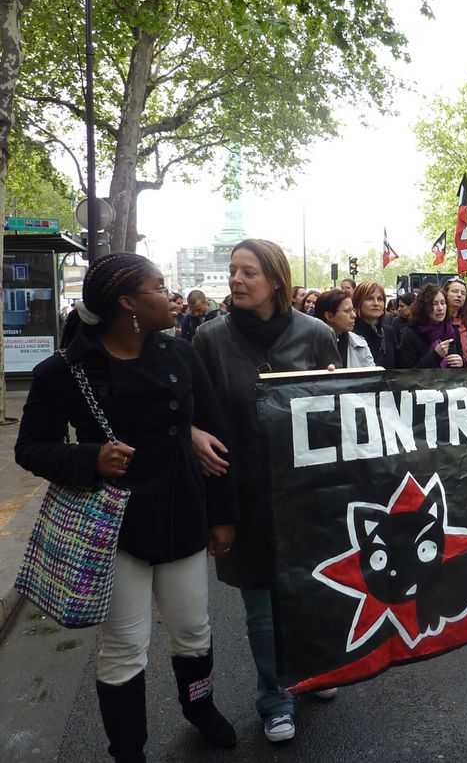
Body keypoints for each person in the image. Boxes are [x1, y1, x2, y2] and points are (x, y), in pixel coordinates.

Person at [15, 254, 239, 761]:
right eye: (160, 287)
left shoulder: (180, 354)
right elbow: (29, 448)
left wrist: (223, 514)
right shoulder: (64, 370)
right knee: (124, 646)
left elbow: (215, 434)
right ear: (128, 303)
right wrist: (89, 457)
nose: (171, 295)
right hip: (114, 524)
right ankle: (128, 748)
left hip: (182, 511)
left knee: (193, 630)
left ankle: (200, 708)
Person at [191, 239, 340, 743]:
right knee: (262, 606)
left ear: (275, 280)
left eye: (247, 272)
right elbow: (192, 409)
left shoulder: (317, 334)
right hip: (244, 491)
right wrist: (192, 435)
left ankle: (315, 670)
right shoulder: (209, 340)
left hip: (307, 491)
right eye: (232, 271)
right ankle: (275, 696)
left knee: (313, 589)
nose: (235, 280)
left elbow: (339, 411)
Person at [399, 283, 464, 368]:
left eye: (443, 303)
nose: (440, 308)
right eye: (434, 304)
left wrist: (462, 362)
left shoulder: (452, 331)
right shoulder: (411, 333)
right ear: (424, 307)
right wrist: (435, 355)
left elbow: (461, 366)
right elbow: (408, 373)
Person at [315, 288, 375, 369]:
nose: (354, 315)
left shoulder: (360, 344)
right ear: (329, 316)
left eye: (353, 310)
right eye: (347, 311)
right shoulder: (311, 345)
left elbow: (372, 375)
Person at [352, 281, 397, 369]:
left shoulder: (388, 332)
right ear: (358, 303)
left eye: (380, 299)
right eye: (369, 298)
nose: (376, 303)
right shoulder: (350, 333)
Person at [444, 278, 467, 368]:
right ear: (445, 293)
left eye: (463, 293)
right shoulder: (437, 321)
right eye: (455, 291)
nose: (459, 295)